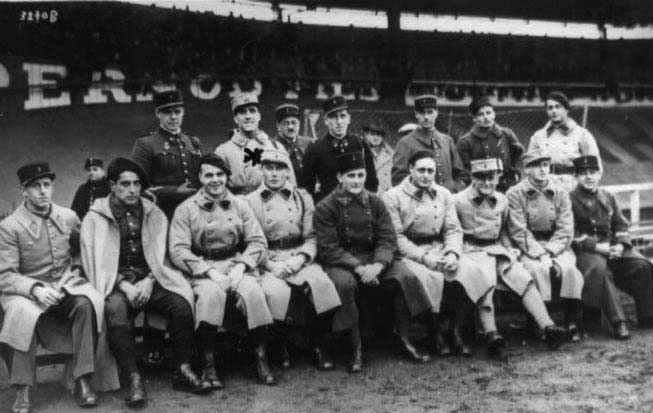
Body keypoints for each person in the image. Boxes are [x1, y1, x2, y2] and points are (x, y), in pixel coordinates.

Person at [81, 158, 212, 408]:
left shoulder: (154, 213)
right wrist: (125, 285)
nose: (132, 190)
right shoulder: (95, 218)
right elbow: (94, 263)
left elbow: (163, 255)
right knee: (115, 311)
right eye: (125, 184)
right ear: (112, 186)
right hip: (116, 284)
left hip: (152, 279)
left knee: (181, 303)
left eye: (137, 184)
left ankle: (182, 369)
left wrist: (150, 280)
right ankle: (134, 378)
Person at [0, 162, 114, 413]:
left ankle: (81, 378)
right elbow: (6, 275)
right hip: (26, 292)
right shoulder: (10, 227)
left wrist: (74, 270)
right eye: (36, 186)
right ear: (23, 191)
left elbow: (80, 251)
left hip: (65, 287)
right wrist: (36, 290)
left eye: (47, 185)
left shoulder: (68, 217)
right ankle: (23, 388)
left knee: (88, 303)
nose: (43, 191)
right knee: (21, 314)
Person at [314, 151, 433, 372]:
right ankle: (355, 347)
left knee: (404, 276)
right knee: (345, 284)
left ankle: (405, 338)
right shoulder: (326, 207)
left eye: (361, 175)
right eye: (351, 176)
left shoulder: (376, 202)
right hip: (342, 261)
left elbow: (388, 237)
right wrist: (358, 267)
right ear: (340, 177)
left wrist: (378, 265)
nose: (357, 181)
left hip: (374, 257)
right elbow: (329, 248)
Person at [169, 153, 278, 385]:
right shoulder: (186, 209)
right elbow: (178, 250)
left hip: (236, 263)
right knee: (210, 295)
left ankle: (261, 358)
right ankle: (209, 365)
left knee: (254, 293)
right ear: (200, 177)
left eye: (220, 174)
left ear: (227, 177)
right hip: (203, 268)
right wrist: (209, 272)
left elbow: (258, 241)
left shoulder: (241, 205)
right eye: (209, 175)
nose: (215, 180)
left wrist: (241, 266)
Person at [382, 151, 496, 356]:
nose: (426, 175)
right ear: (410, 169)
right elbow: (396, 237)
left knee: (470, 271)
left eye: (431, 171)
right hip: (410, 252)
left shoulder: (443, 194)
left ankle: (455, 330)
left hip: (439, 248)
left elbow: (453, 229)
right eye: (421, 170)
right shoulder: (393, 196)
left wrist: (452, 253)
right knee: (430, 277)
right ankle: (435, 333)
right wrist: (424, 257)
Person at [453, 158, 569, 350]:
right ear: (472, 178)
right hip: (472, 251)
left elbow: (506, 230)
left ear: (498, 178)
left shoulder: (502, 200)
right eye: (481, 178)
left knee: (524, 279)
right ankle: (492, 334)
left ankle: (548, 327)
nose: (486, 183)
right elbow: (453, 231)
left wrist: (509, 248)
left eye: (491, 178)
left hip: (498, 250)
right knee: (486, 284)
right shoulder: (458, 201)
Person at [245, 149, 341, 370]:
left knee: (323, 285)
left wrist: (300, 259)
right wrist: (269, 264)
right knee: (275, 292)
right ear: (262, 170)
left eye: (280, 168)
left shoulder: (302, 197)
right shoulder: (250, 201)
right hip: (267, 259)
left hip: (298, 256)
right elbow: (249, 241)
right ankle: (280, 346)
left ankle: (317, 345)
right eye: (269, 168)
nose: (275, 174)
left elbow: (312, 235)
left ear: (287, 172)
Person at [506, 150, 585, 342]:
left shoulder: (560, 192)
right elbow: (518, 230)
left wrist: (550, 251)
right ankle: (539, 324)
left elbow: (566, 227)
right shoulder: (515, 193)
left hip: (558, 245)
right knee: (536, 270)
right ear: (527, 169)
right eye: (536, 165)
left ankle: (571, 322)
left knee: (569, 270)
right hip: (529, 246)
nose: (542, 170)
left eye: (545, 165)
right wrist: (540, 254)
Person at [570, 155, 651, 338]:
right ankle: (618, 322)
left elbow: (621, 225)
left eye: (593, 172)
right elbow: (571, 234)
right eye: (583, 173)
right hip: (587, 251)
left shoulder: (608, 196)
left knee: (642, 265)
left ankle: (648, 316)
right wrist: (599, 248)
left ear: (599, 174)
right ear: (576, 176)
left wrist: (621, 246)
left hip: (613, 247)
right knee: (601, 270)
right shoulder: (570, 199)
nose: (589, 177)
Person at [131, 90, 204, 220]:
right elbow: (138, 184)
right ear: (158, 113)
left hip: (195, 212)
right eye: (167, 112)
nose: (173, 117)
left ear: (183, 112)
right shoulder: (146, 144)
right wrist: (174, 191)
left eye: (177, 112)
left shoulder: (193, 141)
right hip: (163, 212)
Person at [300, 95, 378, 202]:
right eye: (334, 117)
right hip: (328, 209)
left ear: (349, 119)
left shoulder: (359, 144)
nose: (339, 121)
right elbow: (306, 187)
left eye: (342, 116)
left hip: (357, 206)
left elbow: (371, 181)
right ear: (326, 121)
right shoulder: (316, 148)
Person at [215, 93, 296, 195]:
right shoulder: (223, 151)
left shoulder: (276, 148)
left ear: (259, 116)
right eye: (242, 112)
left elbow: (291, 187)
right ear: (235, 118)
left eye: (252, 111)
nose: (248, 116)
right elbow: (215, 191)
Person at [527, 91, 601, 192]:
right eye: (550, 108)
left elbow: (596, 168)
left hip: (572, 188)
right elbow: (530, 167)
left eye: (558, 107)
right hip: (545, 187)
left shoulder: (582, 135)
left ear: (566, 109)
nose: (554, 111)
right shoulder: (538, 136)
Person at [392, 95, 465, 192]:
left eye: (430, 112)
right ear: (416, 114)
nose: (426, 117)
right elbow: (398, 179)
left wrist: (455, 189)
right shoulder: (405, 143)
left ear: (436, 113)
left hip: (448, 200)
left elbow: (460, 173)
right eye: (422, 113)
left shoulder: (447, 141)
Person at [457, 95, 524, 192]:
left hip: (506, 186)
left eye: (488, 113)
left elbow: (519, 155)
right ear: (474, 118)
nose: (486, 117)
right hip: (481, 188)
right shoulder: (466, 141)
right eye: (481, 114)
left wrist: (515, 173)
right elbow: (465, 170)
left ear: (494, 114)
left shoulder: (506, 134)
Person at [272, 103, 312, 183]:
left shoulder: (308, 143)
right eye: (286, 123)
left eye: (294, 123)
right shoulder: (272, 146)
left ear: (299, 124)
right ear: (278, 126)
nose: (290, 127)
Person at [362, 119, 394, 194]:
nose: (376, 137)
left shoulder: (390, 154)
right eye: (372, 134)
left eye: (379, 135)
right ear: (366, 135)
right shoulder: (362, 152)